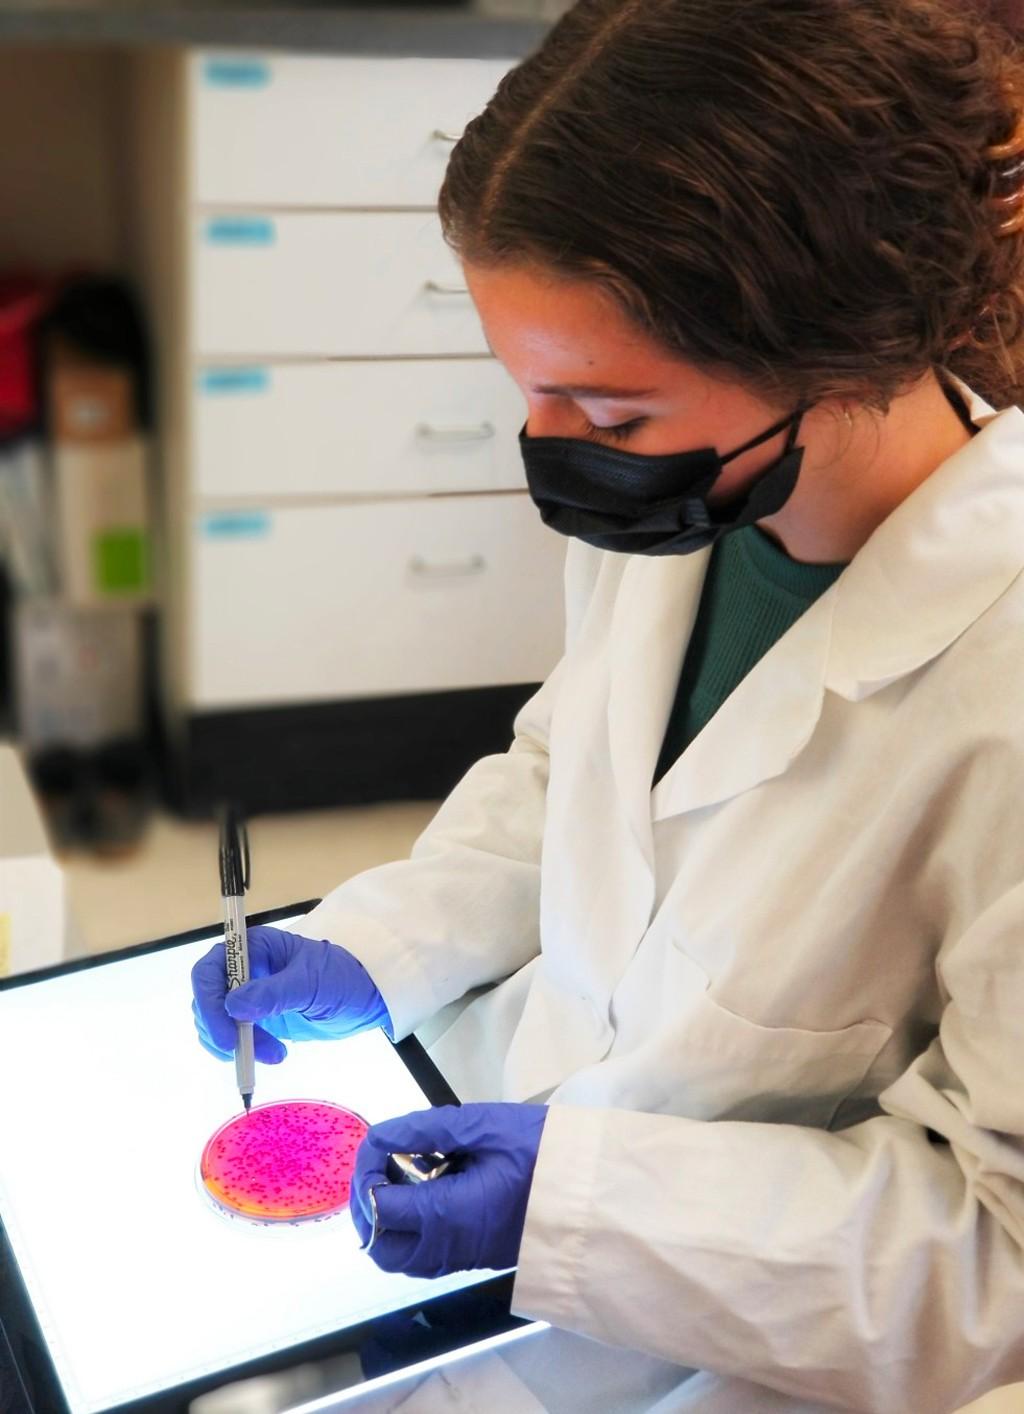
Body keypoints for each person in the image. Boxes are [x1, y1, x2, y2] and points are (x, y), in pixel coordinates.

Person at [191, 0, 1024, 1407]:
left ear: (835, 354)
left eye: (613, 415)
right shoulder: (694, 513)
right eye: (530, 393)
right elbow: (569, 772)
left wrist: (578, 1209)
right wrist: (375, 946)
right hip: (514, 1163)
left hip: (753, 1337)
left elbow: (993, 1254)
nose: (553, 453)